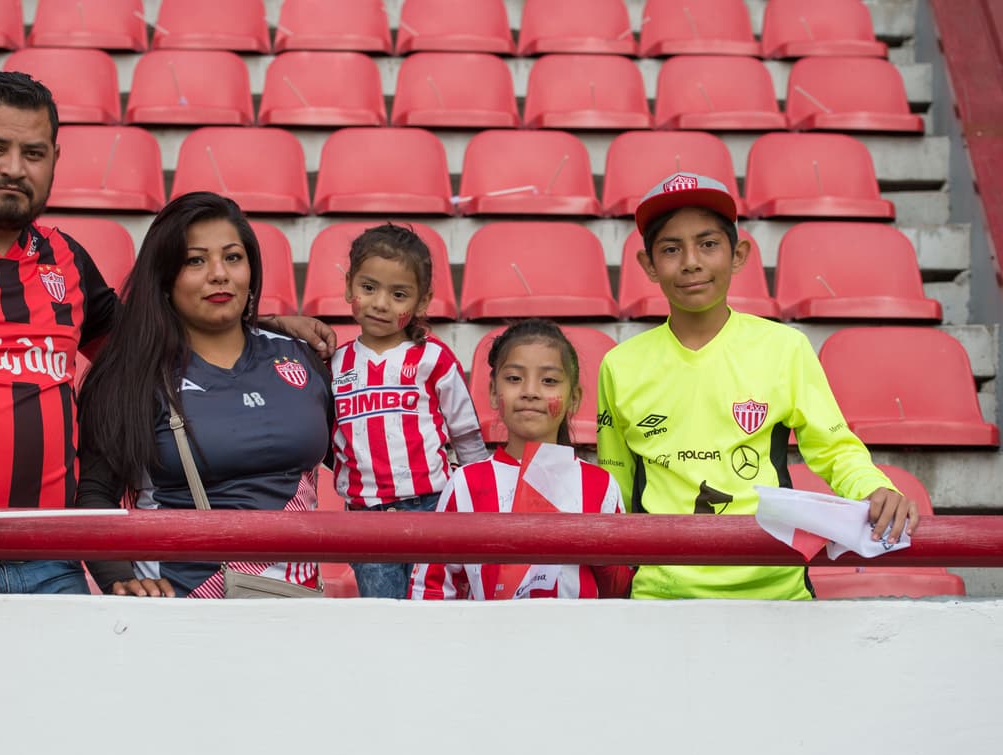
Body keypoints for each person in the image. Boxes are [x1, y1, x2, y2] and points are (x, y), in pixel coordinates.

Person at [0, 71, 334, 595]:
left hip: (51, 555)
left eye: (33, 153)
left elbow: (153, 334)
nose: (14, 168)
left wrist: (258, 324)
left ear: (55, 161)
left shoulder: (67, 259)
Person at [595, 172, 919, 600]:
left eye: (708, 244)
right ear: (649, 266)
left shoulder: (784, 348)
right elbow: (614, 488)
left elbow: (835, 449)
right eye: (671, 249)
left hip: (776, 591)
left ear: (738, 254)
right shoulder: (620, 365)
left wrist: (875, 489)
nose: (691, 261)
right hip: (662, 595)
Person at [76, 191, 334, 598]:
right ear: (163, 277)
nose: (219, 274)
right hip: (183, 611)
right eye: (195, 260)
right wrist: (120, 581)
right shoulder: (130, 375)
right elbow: (93, 493)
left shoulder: (301, 355)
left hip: (298, 609)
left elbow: (361, 466)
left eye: (233, 257)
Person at [410, 319, 632, 600]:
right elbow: (434, 586)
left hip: (577, 641)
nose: (530, 391)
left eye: (549, 380)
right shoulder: (466, 483)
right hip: (491, 640)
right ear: (493, 392)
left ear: (573, 399)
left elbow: (619, 588)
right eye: (514, 378)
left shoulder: (599, 485)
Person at [330, 224, 488, 598]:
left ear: (420, 302)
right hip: (366, 516)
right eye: (368, 288)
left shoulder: (433, 359)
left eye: (398, 294)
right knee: (383, 616)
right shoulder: (334, 364)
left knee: (433, 607)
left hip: (432, 507)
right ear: (349, 286)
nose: (381, 303)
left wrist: (478, 500)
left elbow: (465, 434)